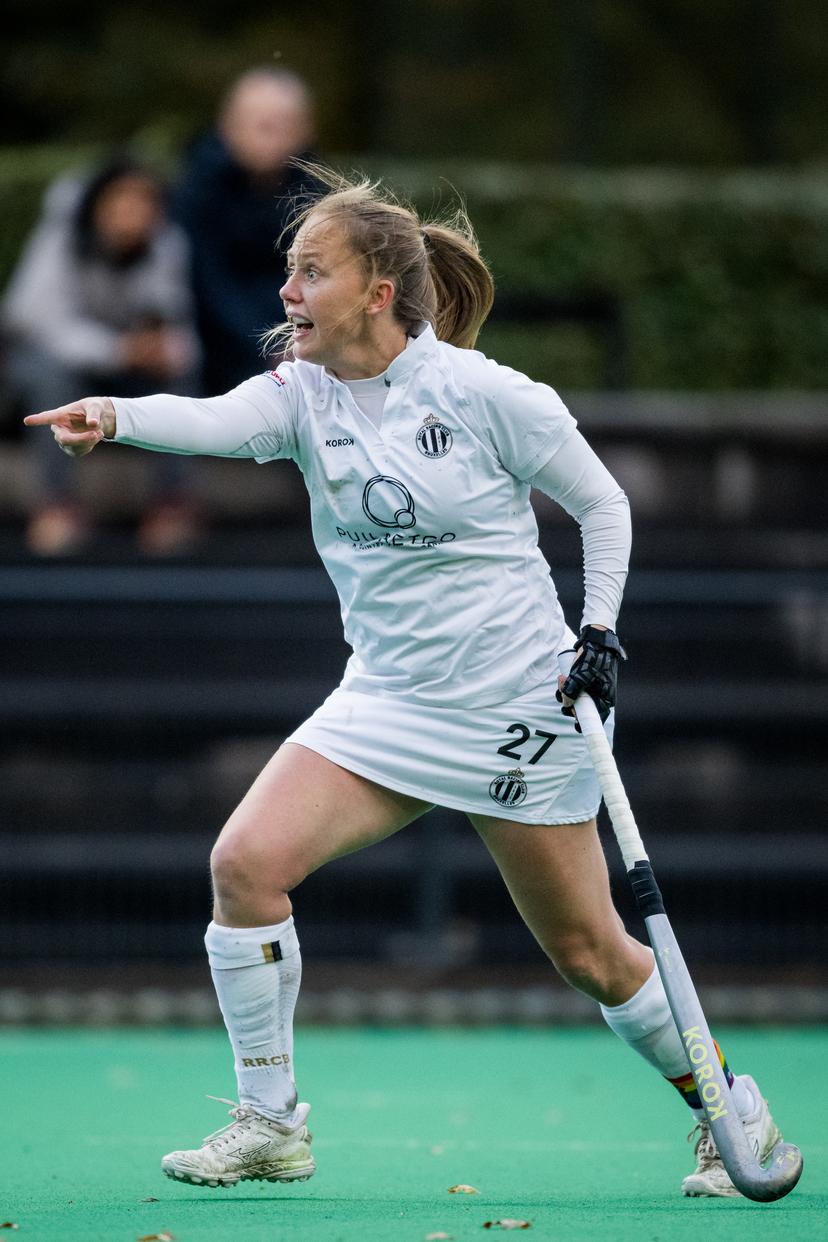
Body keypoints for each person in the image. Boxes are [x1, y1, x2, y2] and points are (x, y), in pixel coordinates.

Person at [25, 168, 789, 1198]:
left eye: (310, 272)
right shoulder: (302, 396)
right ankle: (269, 1122)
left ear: (377, 292)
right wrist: (116, 415)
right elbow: (212, 420)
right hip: (387, 700)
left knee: (592, 954)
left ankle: (728, 1108)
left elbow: (604, 506)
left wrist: (599, 635)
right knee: (245, 865)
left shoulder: (487, 394)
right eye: (290, 272)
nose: (287, 292)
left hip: (521, 701)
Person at [3, 157, 202, 556]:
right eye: (121, 202)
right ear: (97, 205)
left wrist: (165, 351)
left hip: (120, 374)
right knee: (52, 377)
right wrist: (118, 350)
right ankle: (56, 506)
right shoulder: (62, 237)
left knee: (176, 379)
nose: (133, 214)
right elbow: (30, 318)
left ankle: (173, 506)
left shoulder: (166, 244)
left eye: (143, 203)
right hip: (44, 369)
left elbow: (181, 329)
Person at [173, 67, 323, 394]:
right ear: (228, 125)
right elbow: (205, 281)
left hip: (296, 343)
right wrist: (268, 342)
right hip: (212, 352)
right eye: (261, 125)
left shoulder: (319, 196)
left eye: (283, 125)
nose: (271, 136)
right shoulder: (197, 193)